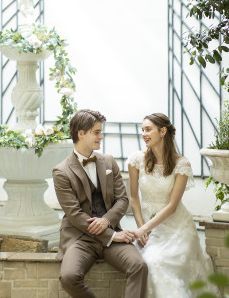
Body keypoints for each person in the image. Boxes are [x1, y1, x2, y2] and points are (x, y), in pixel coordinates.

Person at [53, 109, 148, 298]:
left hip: (112, 232)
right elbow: (75, 215)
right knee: (68, 277)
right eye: (96, 132)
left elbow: (123, 199)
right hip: (81, 238)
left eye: (100, 132)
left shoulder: (109, 161)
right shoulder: (61, 171)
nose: (101, 137)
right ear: (81, 133)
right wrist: (111, 236)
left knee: (139, 266)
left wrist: (107, 222)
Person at [127, 113, 218, 298]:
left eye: (148, 129)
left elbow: (172, 207)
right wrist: (141, 228)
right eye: (142, 130)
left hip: (178, 229)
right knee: (148, 262)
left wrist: (144, 228)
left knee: (157, 263)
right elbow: (134, 198)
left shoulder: (181, 164)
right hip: (148, 227)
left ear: (162, 131)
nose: (144, 133)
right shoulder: (136, 159)